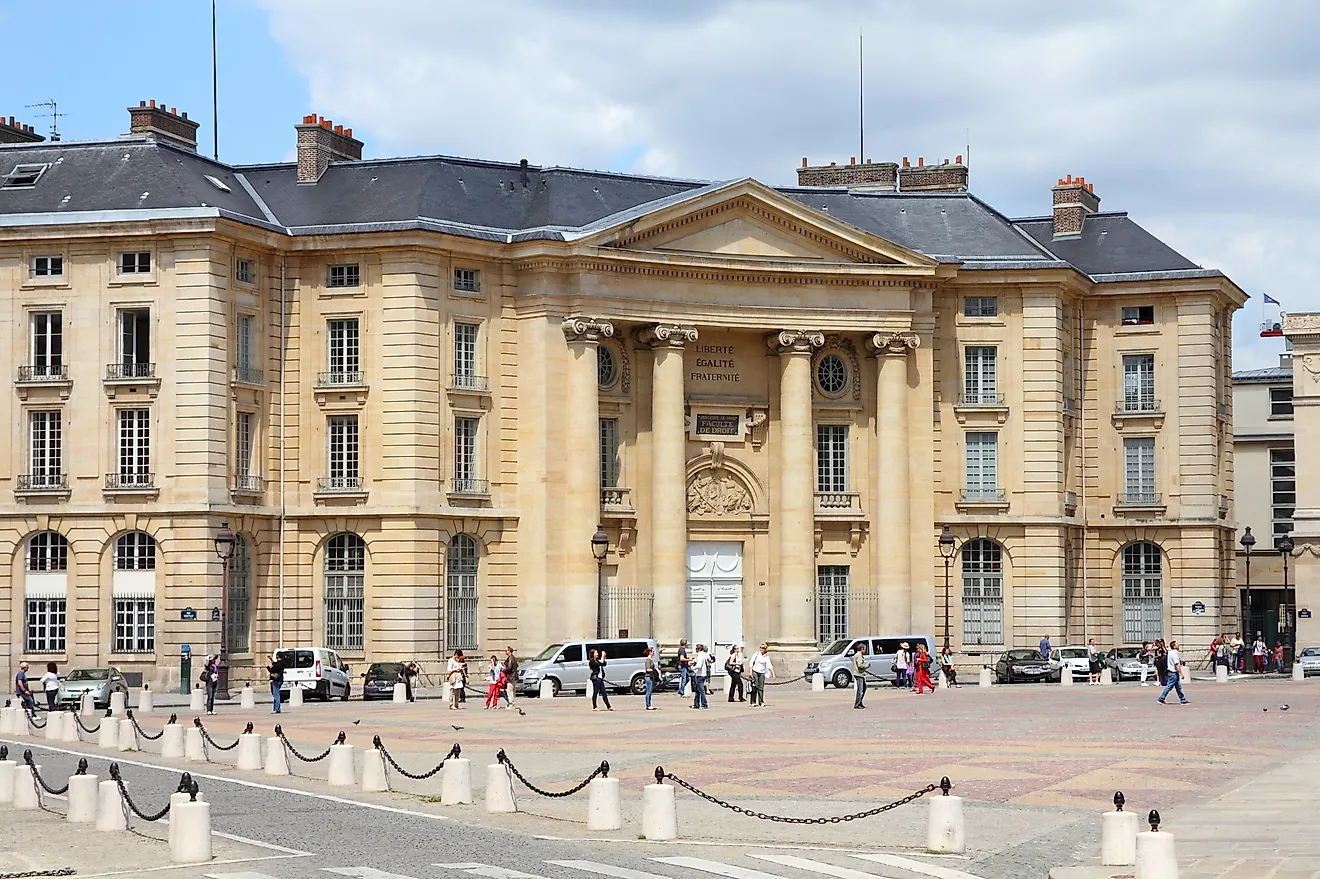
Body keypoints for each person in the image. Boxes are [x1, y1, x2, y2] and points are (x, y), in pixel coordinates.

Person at [1157, 639, 1189, 704]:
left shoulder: (1171, 652)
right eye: (1177, 644)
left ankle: (1183, 699)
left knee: (1178, 687)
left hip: (1172, 672)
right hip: (1173, 672)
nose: (1179, 645)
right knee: (1169, 686)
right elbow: (1176, 664)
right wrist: (1181, 673)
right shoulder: (1174, 653)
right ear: (1174, 646)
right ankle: (1161, 698)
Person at [691, 644, 711, 709]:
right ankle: (696, 704)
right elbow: (709, 660)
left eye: (696, 648)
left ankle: (704, 704)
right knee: (697, 690)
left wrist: (693, 667)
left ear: (699, 649)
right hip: (704, 673)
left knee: (701, 690)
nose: (695, 650)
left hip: (700, 674)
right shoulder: (705, 654)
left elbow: (699, 665)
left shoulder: (700, 655)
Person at [851, 643, 869, 709]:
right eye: (865, 649)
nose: (865, 651)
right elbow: (860, 665)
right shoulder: (859, 655)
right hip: (859, 674)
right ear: (862, 649)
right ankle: (858, 703)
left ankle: (860, 702)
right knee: (860, 690)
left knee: (863, 688)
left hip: (859, 673)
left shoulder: (857, 655)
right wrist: (866, 666)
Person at [643, 646, 659, 710]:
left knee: (649, 691)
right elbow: (648, 669)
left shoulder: (650, 659)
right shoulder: (648, 660)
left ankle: (649, 704)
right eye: (653, 651)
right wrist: (654, 670)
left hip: (651, 677)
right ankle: (648, 705)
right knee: (648, 691)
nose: (654, 652)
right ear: (649, 652)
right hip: (648, 677)